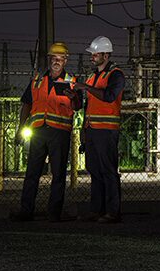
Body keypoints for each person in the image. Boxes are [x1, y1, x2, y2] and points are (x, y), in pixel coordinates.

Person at [10, 42, 80, 222]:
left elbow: (79, 106)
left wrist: (74, 98)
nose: (56, 62)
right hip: (39, 131)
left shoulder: (72, 82)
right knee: (32, 172)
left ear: (65, 61)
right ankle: (26, 211)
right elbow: (26, 104)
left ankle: (54, 213)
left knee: (58, 174)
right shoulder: (37, 81)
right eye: (53, 58)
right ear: (49, 60)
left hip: (60, 133)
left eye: (60, 59)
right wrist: (21, 128)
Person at [76, 35, 125, 223]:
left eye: (95, 54)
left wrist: (86, 87)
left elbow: (109, 97)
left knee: (108, 171)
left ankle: (113, 212)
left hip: (106, 130)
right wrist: (83, 129)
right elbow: (90, 105)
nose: (92, 56)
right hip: (92, 129)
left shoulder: (116, 74)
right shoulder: (93, 76)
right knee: (94, 170)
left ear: (106, 55)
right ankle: (97, 210)